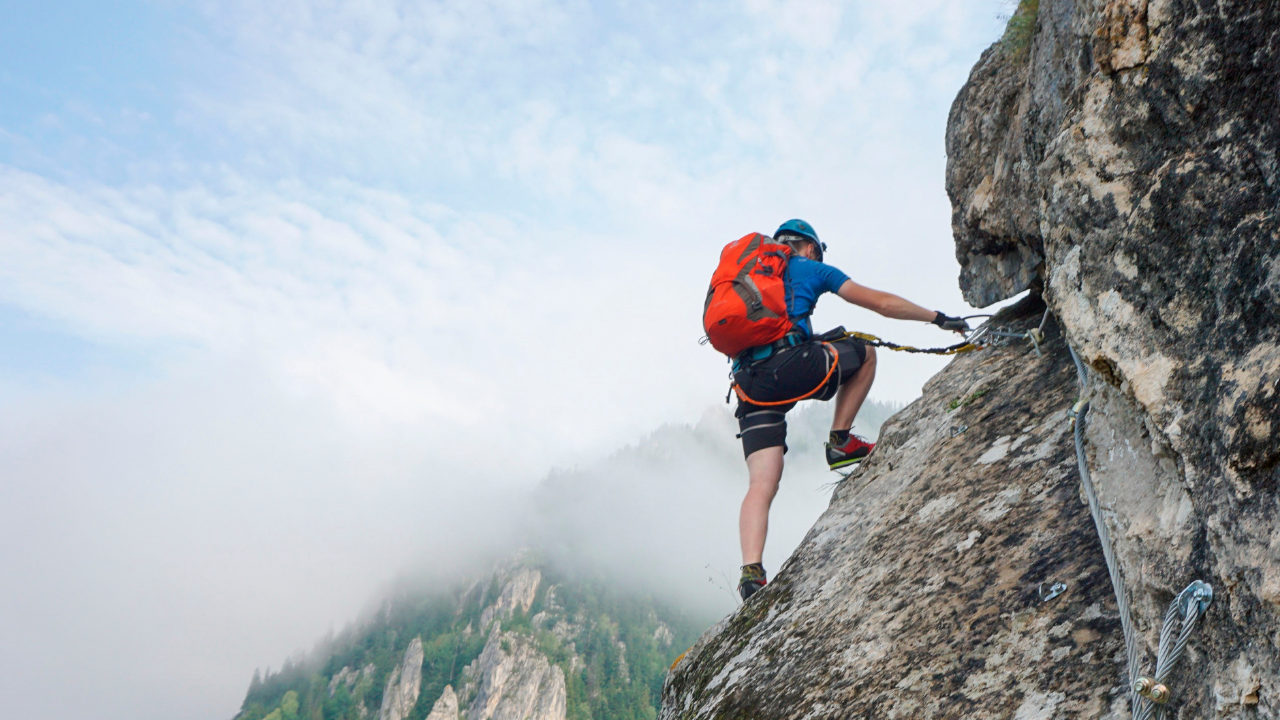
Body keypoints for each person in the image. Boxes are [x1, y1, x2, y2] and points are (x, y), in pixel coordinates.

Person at [734, 219, 970, 600]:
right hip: (790, 368)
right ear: (810, 247)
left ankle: (750, 573)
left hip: (748, 385)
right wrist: (937, 318)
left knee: (761, 483)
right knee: (865, 352)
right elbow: (880, 303)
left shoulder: (751, 278)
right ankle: (840, 441)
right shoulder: (811, 267)